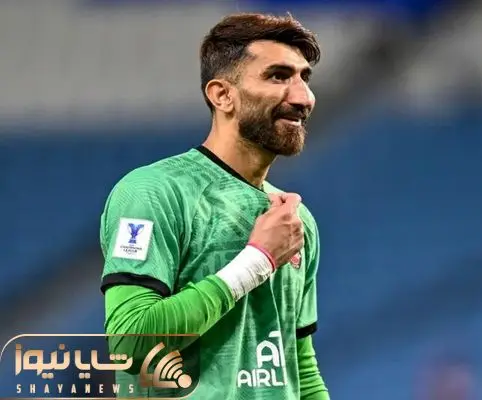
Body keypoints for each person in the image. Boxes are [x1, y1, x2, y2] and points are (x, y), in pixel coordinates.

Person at [99, 12, 329, 400]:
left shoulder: (295, 221)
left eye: (304, 78)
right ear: (222, 95)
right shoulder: (154, 192)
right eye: (278, 76)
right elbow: (131, 344)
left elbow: (300, 368)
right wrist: (257, 261)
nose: (303, 97)